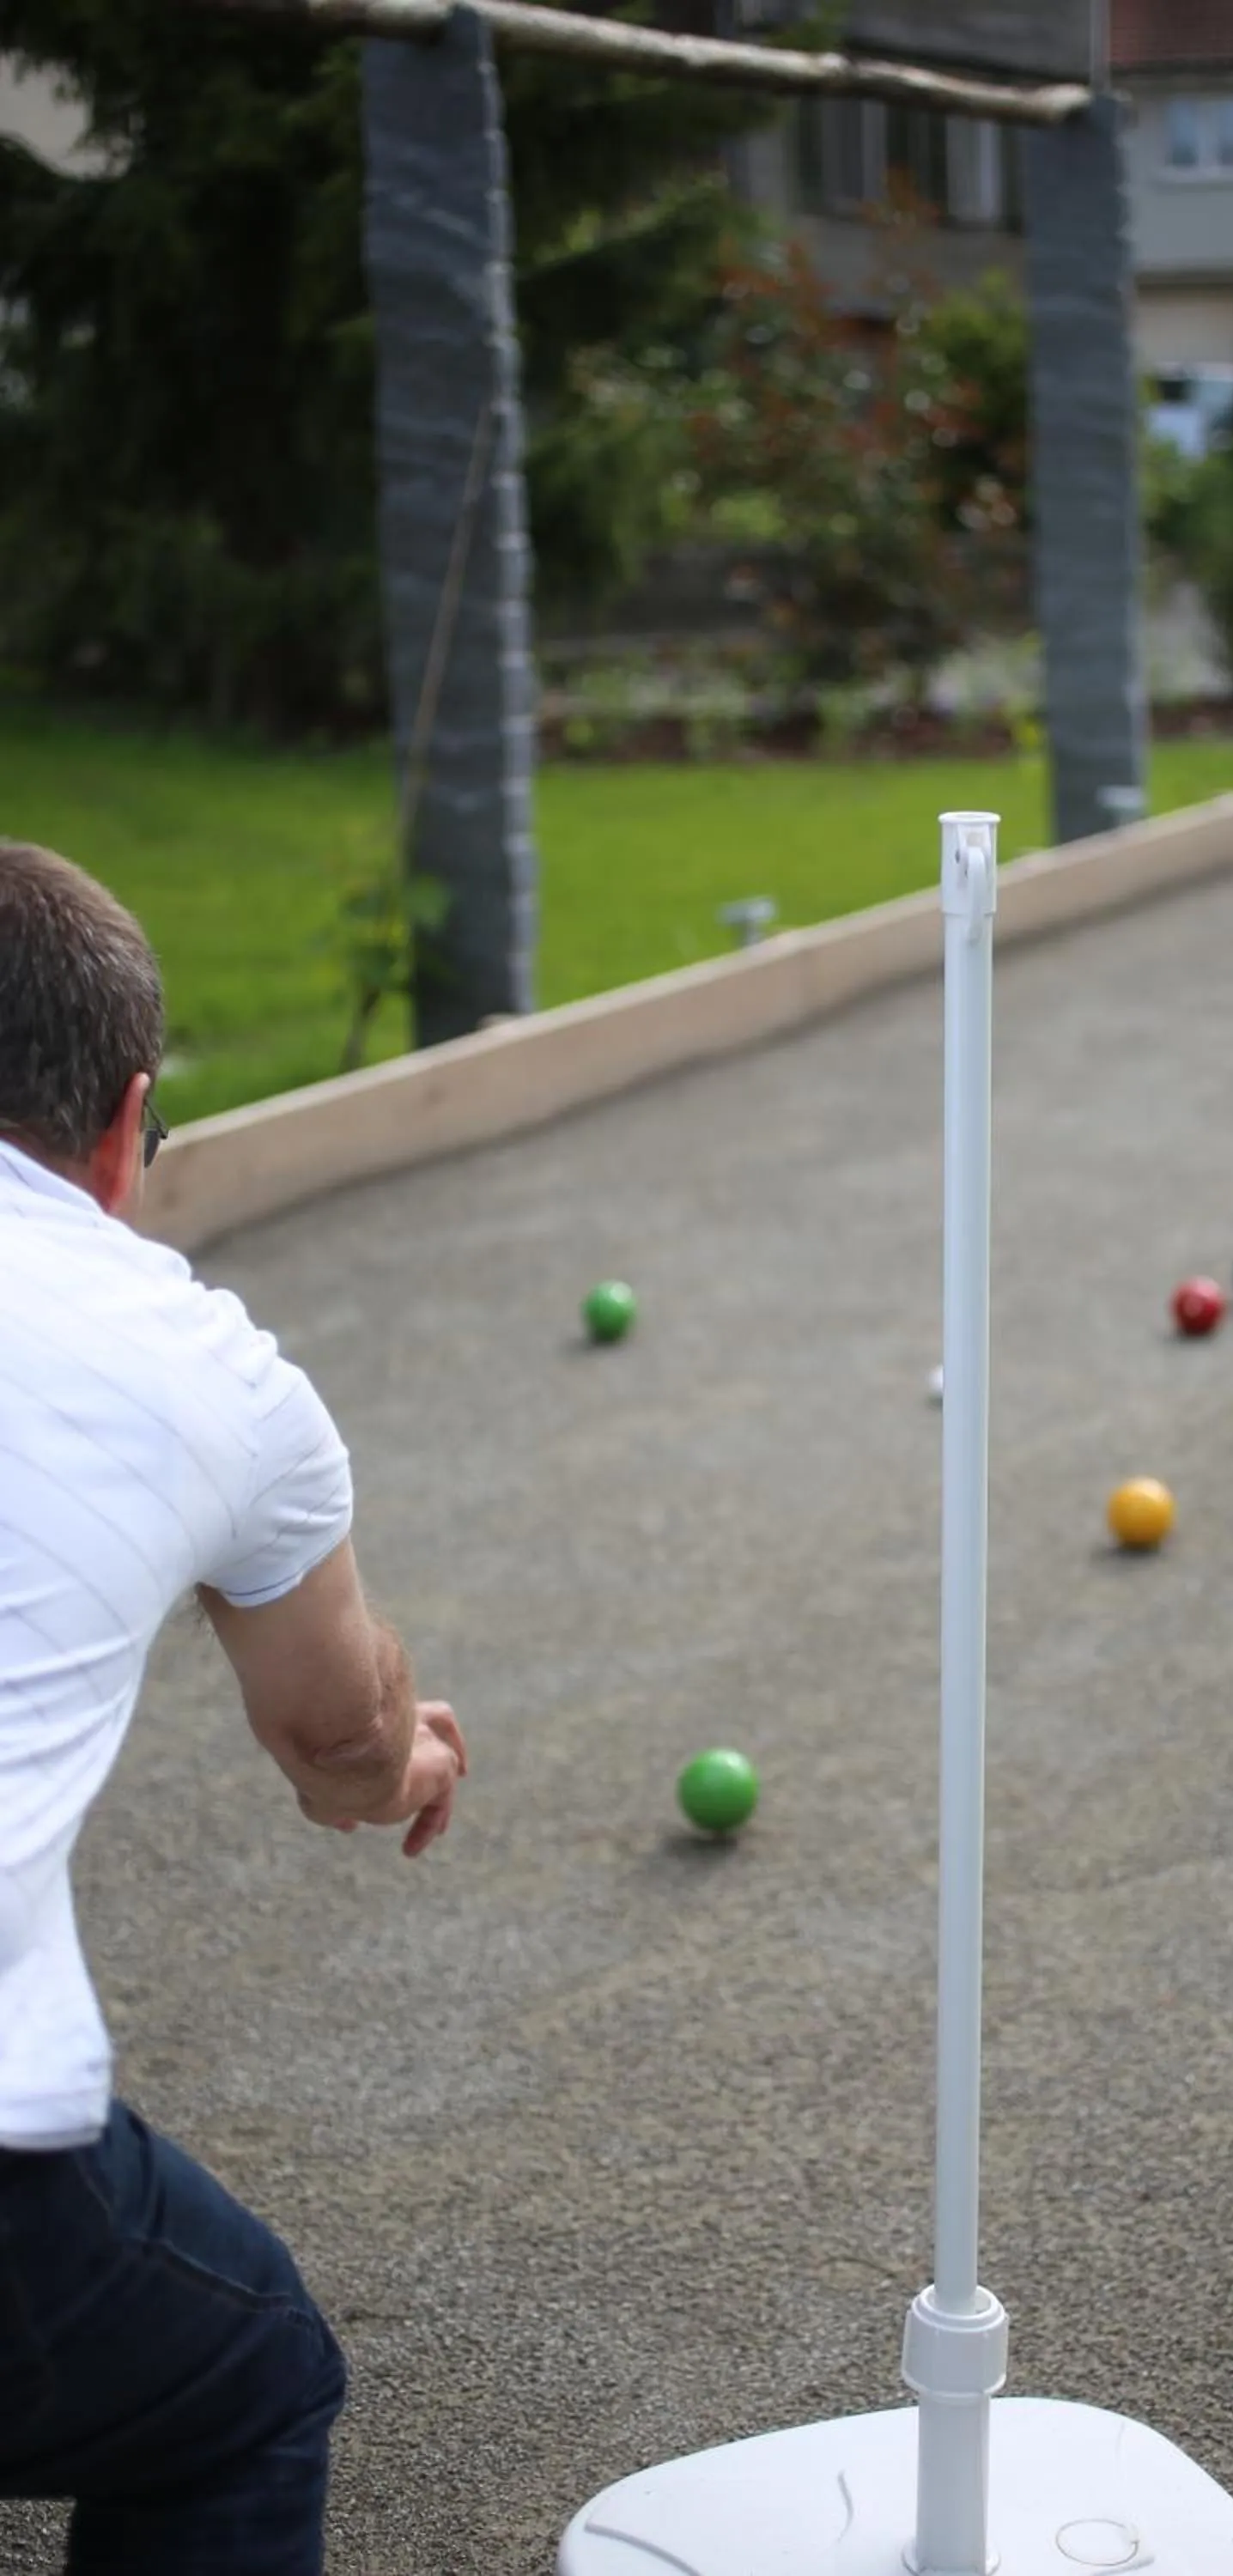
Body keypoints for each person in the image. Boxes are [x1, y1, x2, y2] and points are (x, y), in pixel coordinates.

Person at [0, 840, 468, 2575]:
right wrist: (404, 1760)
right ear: (128, 1126)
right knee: (245, 2389)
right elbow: (342, 1747)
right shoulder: (206, 1370)